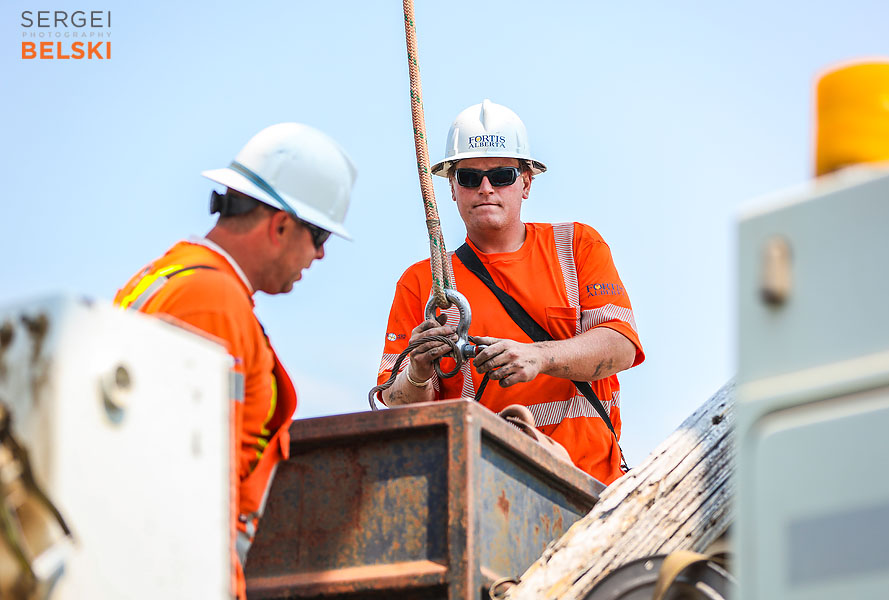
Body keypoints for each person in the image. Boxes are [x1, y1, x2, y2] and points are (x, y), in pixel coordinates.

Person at [114, 122, 356, 598]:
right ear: (282, 224)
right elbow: (199, 484)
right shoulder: (211, 302)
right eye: (320, 237)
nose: (321, 256)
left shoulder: (168, 278)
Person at [376, 100, 643, 485]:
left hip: (591, 485)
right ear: (452, 188)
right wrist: (417, 369)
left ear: (526, 183)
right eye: (469, 177)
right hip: (484, 491)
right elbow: (395, 402)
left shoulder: (576, 246)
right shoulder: (426, 283)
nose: (485, 189)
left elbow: (621, 347)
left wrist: (538, 357)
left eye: (501, 175)